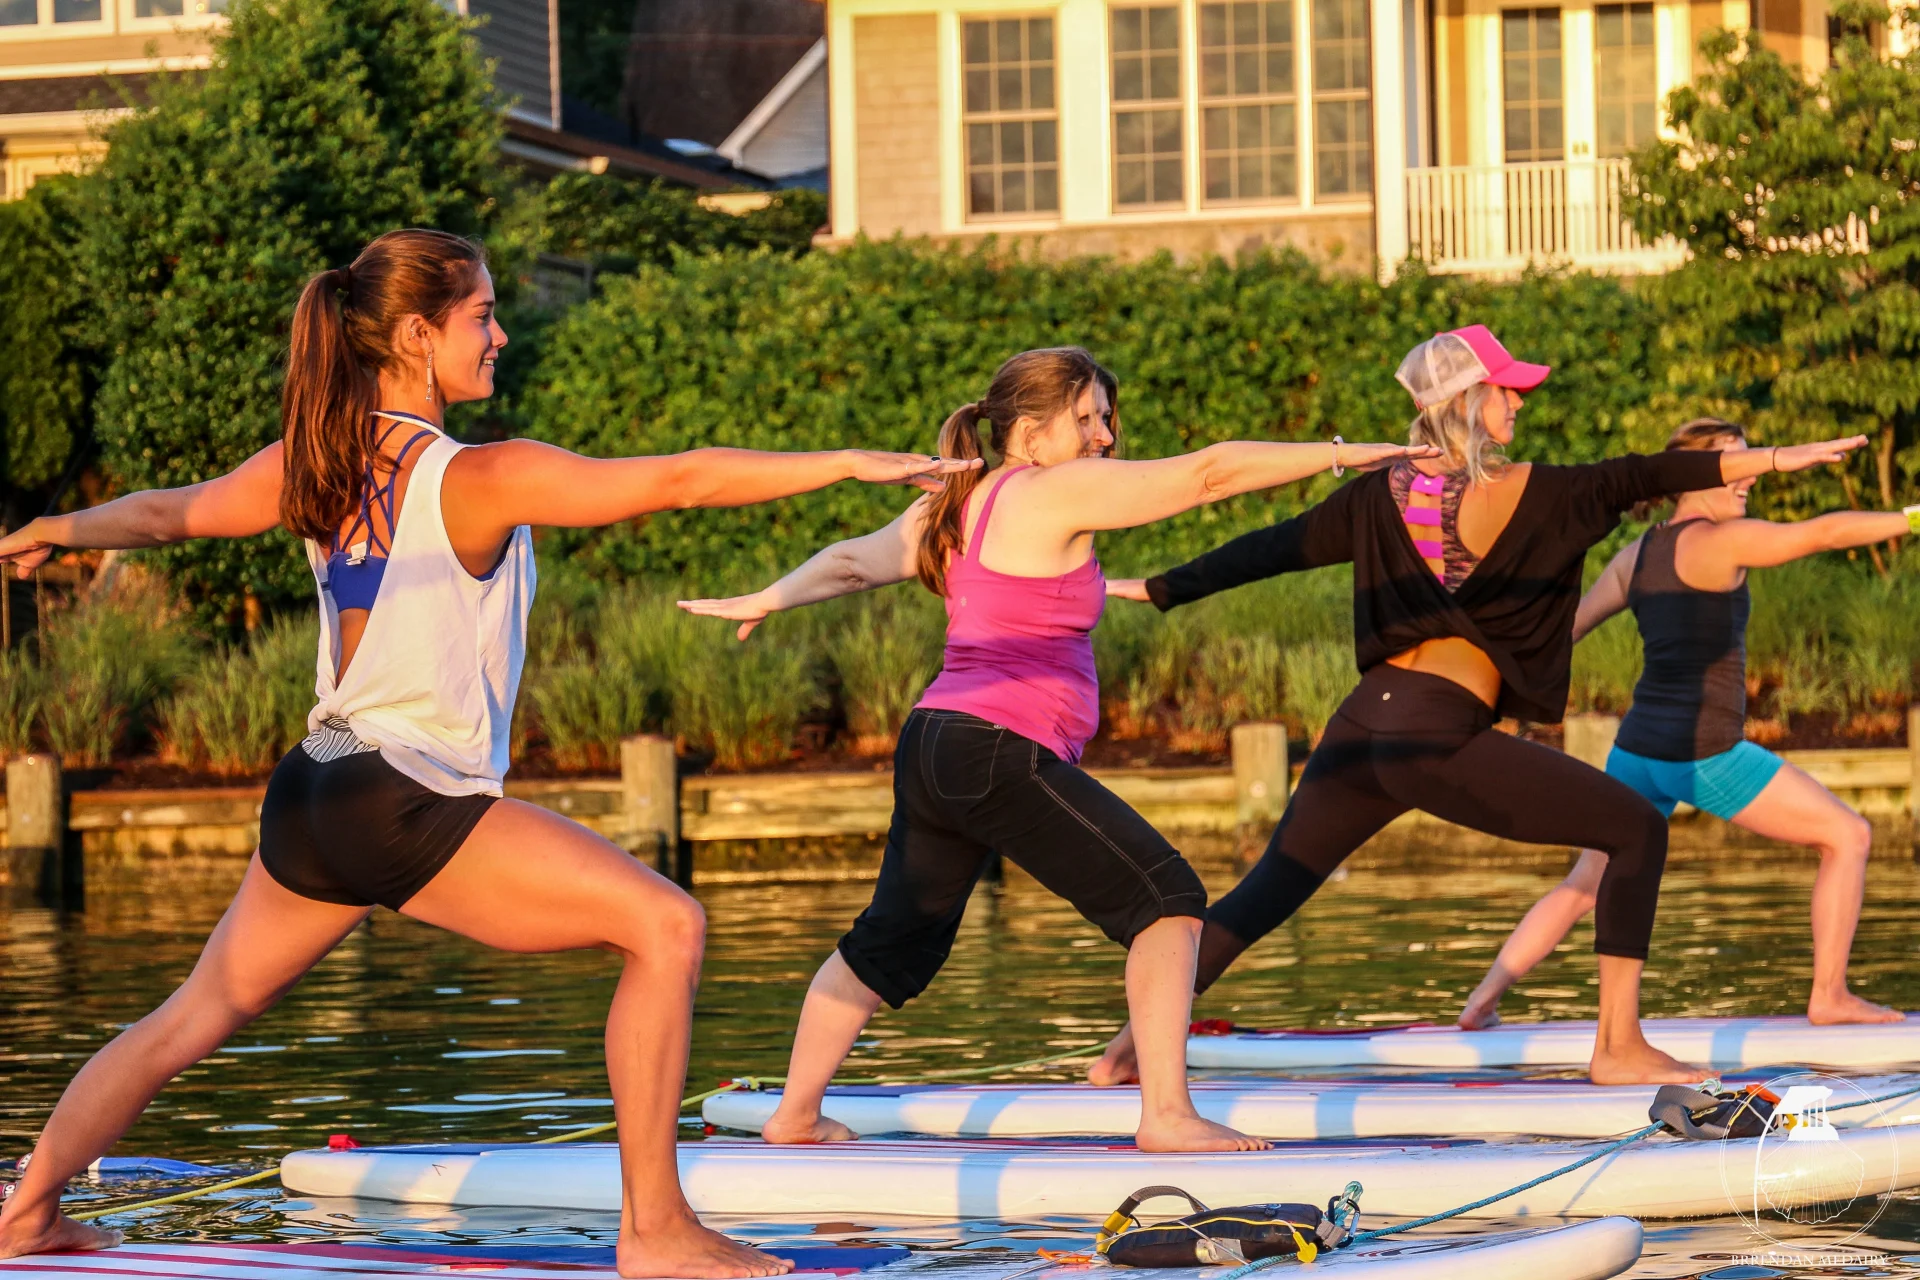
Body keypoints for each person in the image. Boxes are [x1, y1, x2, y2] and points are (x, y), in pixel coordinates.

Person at [0, 228, 977, 1279]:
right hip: (403, 794)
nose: (501, 334)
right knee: (665, 924)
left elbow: (167, 513)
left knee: (193, 1010)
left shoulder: (315, 459)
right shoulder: (478, 475)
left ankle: (28, 1214)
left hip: (315, 787)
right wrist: (844, 461)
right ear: (419, 334)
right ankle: (655, 1230)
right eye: (483, 315)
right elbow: (678, 480)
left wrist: (58, 522)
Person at [679, 346, 1432, 1151]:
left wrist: (772, 595)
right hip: (997, 748)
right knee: (1168, 901)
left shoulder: (958, 500)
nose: (1105, 436)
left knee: (891, 936)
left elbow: (853, 564)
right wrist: (1347, 454)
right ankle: (1168, 1117)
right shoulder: (1051, 488)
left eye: (1107, 417)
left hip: (936, 743)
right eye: (1087, 419)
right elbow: (1208, 474)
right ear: (1031, 435)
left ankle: (796, 1114)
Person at [1093, 326, 1866, 1086]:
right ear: (1473, 397)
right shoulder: (1527, 490)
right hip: (1436, 732)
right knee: (1634, 828)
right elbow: (1645, 473)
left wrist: (1159, 587)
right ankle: (1620, 1045)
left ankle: (1126, 1051)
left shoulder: (1377, 494)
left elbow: (1270, 549)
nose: (1521, 404)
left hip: (1362, 725)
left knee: (1266, 893)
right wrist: (1771, 457)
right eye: (1510, 390)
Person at [1458, 417, 1913, 1031]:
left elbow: (1561, 634)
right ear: (1700, 475)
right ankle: (1829, 995)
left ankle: (1480, 1003)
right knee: (1848, 836)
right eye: (1738, 464)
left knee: (1588, 880)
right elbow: (1825, 533)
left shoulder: (1635, 555)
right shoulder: (1722, 542)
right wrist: (1912, 518)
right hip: (1703, 755)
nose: (1749, 477)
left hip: (1637, 751)